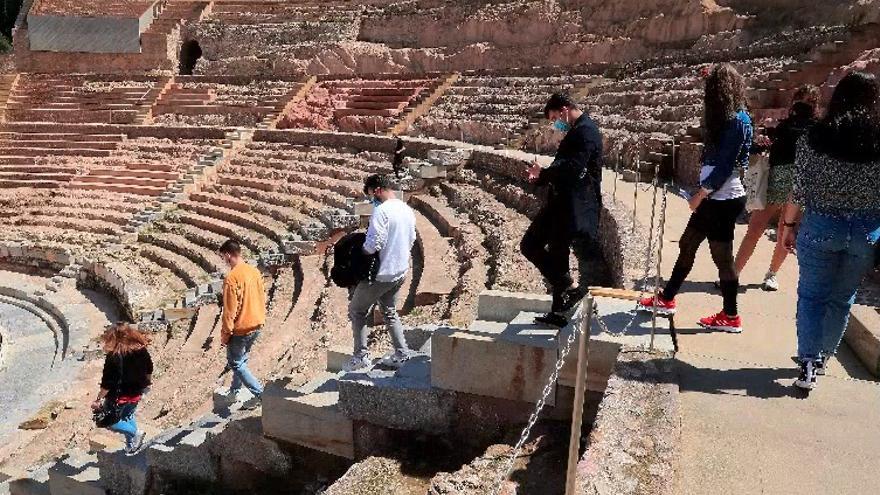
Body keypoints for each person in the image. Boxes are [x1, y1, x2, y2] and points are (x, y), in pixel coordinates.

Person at [783, 71, 880, 391]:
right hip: (866, 229)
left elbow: (798, 191)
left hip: (822, 224)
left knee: (811, 296)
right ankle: (823, 357)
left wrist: (788, 225)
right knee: (842, 298)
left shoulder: (814, 138)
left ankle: (808, 362)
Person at [638, 64, 752, 333]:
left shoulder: (737, 121)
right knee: (688, 244)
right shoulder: (733, 118)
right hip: (717, 198)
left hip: (721, 199)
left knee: (722, 258)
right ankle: (666, 298)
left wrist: (701, 194)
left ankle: (730, 316)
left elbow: (725, 167)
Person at [520, 93, 603, 327]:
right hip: (562, 204)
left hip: (571, 206)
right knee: (558, 255)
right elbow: (563, 168)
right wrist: (540, 177)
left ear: (565, 109)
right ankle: (558, 312)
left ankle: (570, 288)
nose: (556, 123)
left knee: (530, 245)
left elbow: (574, 167)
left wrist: (544, 174)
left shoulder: (585, 131)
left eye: (556, 117)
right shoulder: (578, 130)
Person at [734, 85, 820, 291]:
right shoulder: (784, 126)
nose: (804, 107)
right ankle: (734, 273)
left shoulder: (817, 130)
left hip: (800, 182)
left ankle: (772, 274)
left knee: (785, 230)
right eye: (801, 101)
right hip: (776, 179)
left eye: (809, 102)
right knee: (755, 227)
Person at [345, 174, 416, 371]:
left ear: (377, 190)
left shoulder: (382, 211)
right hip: (399, 271)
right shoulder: (406, 209)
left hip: (380, 274)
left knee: (357, 310)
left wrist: (360, 252)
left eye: (371, 196)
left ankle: (361, 356)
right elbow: (412, 239)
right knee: (389, 311)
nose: (371, 200)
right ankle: (402, 353)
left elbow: (374, 243)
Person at [91, 323, 153, 456]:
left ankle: (135, 434)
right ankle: (132, 446)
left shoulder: (113, 356)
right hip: (136, 393)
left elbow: (107, 382)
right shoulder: (141, 350)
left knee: (109, 422)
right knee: (127, 416)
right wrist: (147, 384)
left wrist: (98, 399)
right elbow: (149, 369)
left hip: (119, 397)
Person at [218, 239, 266, 409]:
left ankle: (261, 395)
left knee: (236, 363)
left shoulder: (232, 278)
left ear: (228, 255)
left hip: (241, 329)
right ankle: (234, 392)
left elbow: (230, 311)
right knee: (242, 360)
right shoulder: (254, 271)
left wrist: (225, 334)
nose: (223, 260)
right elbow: (261, 296)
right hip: (257, 324)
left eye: (223, 257)